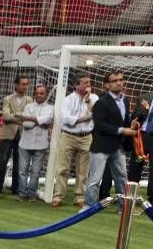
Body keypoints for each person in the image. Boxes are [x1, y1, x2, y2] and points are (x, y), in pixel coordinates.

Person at [84, 70, 137, 208]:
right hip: (101, 146)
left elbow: (123, 120)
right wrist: (123, 130)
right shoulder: (101, 102)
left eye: (121, 79)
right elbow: (100, 125)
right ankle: (89, 207)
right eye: (115, 80)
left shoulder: (124, 100)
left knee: (122, 178)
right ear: (106, 85)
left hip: (117, 146)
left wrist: (130, 124)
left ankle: (123, 208)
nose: (119, 82)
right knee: (95, 179)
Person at [52, 73, 99, 208]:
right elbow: (66, 119)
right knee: (62, 168)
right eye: (85, 83)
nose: (88, 85)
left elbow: (96, 113)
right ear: (76, 85)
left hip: (87, 137)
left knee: (83, 170)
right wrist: (85, 117)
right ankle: (58, 196)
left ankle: (79, 197)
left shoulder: (94, 98)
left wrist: (88, 99)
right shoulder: (67, 100)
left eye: (89, 82)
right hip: (68, 136)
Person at [0, 75, 31, 194]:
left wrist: (15, 116)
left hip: (23, 134)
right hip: (8, 134)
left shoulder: (29, 100)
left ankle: (16, 188)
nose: (25, 87)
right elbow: (5, 116)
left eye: (26, 84)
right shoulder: (7, 99)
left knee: (18, 162)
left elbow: (28, 117)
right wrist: (21, 117)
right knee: (3, 161)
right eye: (23, 84)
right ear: (16, 84)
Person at [17, 84, 54, 201]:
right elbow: (25, 124)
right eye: (37, 93)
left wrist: (31, 118)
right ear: (34, 94)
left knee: (36, 172)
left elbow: (48, 120)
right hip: (25, 143)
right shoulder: (28, 106)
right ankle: (22, 194)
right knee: (22, 170)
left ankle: (32, 194)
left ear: (46, 94)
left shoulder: (50, 108)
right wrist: (40, 121)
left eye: (41, 93)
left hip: (41, 143)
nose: (39, 95)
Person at [128, 93, 153, 204]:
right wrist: (145, 109)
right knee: (136, 164)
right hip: (141, 137)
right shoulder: (144, 98)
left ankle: (151, 199)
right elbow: (133, 117)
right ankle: (131, 195)